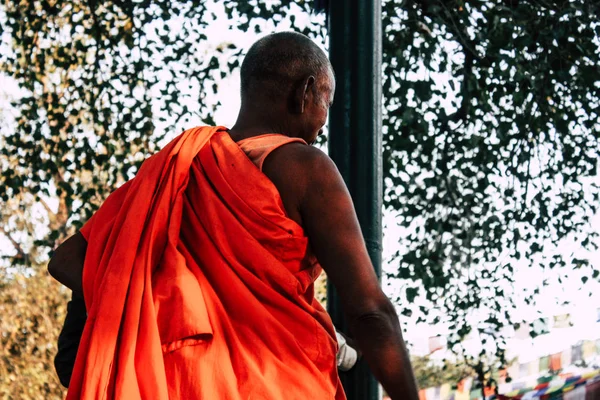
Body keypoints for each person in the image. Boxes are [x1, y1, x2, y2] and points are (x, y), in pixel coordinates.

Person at [48, 31, 418, 400]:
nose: (322, 123)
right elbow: (370, 311)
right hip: (276, 383)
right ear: (304, 93)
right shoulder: (306, 167)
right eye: (326, 102)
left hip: (180, 383)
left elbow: (66, 261)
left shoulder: (179, 167)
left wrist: (164, 305)